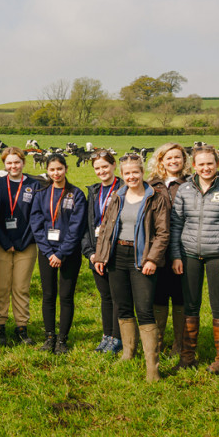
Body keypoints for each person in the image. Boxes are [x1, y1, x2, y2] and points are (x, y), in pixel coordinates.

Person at [93, 154, 171, 382]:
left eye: (135, 172)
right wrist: (101, 255)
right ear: (123, 175)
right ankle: (128, 353)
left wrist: (152, 260)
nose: (131, 177)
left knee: (144, 309)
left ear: (142, 173)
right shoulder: (117, 196)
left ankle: (152, 368)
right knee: (123, 306)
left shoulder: (155, 198)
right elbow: (106, 227)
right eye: (127, 174)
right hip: (117, 256)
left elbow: (163, 233)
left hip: (141, 258)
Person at [169, 146, 219, 375]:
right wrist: (176, 255)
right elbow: (176, 225)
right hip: (189, 254)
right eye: (201, 164)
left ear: (217, 164)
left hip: (218, 256)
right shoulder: (184, 190)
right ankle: (187, 357)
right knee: (190, 306)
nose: (205, 168)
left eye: (210, 163)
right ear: (194, 166)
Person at [29, 153, 87, 355]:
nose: (56, 173)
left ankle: (62, 339)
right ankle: (49, 337)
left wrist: (61, 253)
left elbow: (76, 227)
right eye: (52, 169)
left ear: (66, 169)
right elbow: (36, 224)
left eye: (59, 169)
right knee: (48, 295)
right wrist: (47, 251)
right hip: (46, 252)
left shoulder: (76, 194)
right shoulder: (41, 194)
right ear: (47, 171)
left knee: (66, 296)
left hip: (69, 253)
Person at [0, 147, 43, 347]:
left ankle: (22, 327)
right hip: (1, 243)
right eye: (9, 163)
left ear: (23, 163)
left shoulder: (34, 185)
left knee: (21, 288)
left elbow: (36, 217)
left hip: (26, 245)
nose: (13, 166)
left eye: (17, 162)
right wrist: (5, 242)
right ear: (4, 164)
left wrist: (22, 241)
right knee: (2, 287)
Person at [146, 143, 191, 358]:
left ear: (184, 161)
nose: (173, 161)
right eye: (169, 158)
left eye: (178, 158)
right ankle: (159, 341)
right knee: (159, 295)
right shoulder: (151, 185)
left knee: (181, 295)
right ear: (161, 160)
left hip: (184, 248)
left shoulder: (191, 184)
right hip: (157, 250)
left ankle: (180, 344)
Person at [82, 150, 124, 355]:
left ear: (114, 165)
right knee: (105, 296)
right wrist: (90, 252)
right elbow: (87, 226)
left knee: (118, 297)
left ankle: (118, 337)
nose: (101, 171)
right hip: (96, 253)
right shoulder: (93, 191)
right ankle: (107, 336)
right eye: (97, 168)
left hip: (117, 253)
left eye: (105, 167)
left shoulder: (125, 189)